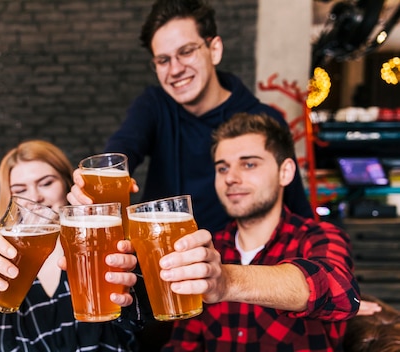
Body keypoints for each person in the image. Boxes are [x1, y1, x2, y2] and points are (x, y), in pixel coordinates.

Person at [66, 0, 314, 349]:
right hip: (159, 281)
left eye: (186, 52)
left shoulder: (258, 119)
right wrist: (92, 184)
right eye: (163, 60)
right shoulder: (154, 105)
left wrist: (328, 287)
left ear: (214, 48)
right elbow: (123, 149)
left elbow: (297, 206)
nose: (176, 68)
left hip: (229, 282)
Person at [106, 112, 359, 350]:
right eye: (223, 168)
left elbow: (342, 292)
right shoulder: (210, 249)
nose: (230, 178)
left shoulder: (318, 235)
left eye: (249, 165)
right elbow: (185, 344)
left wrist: (227, 281)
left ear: (285, 172)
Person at [0, 140, 140, 351]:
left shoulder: (101, 245)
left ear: (67, 185)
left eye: (46, 183)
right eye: (20, 190)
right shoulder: (6, 263)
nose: (35, 197)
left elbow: (135, 323)